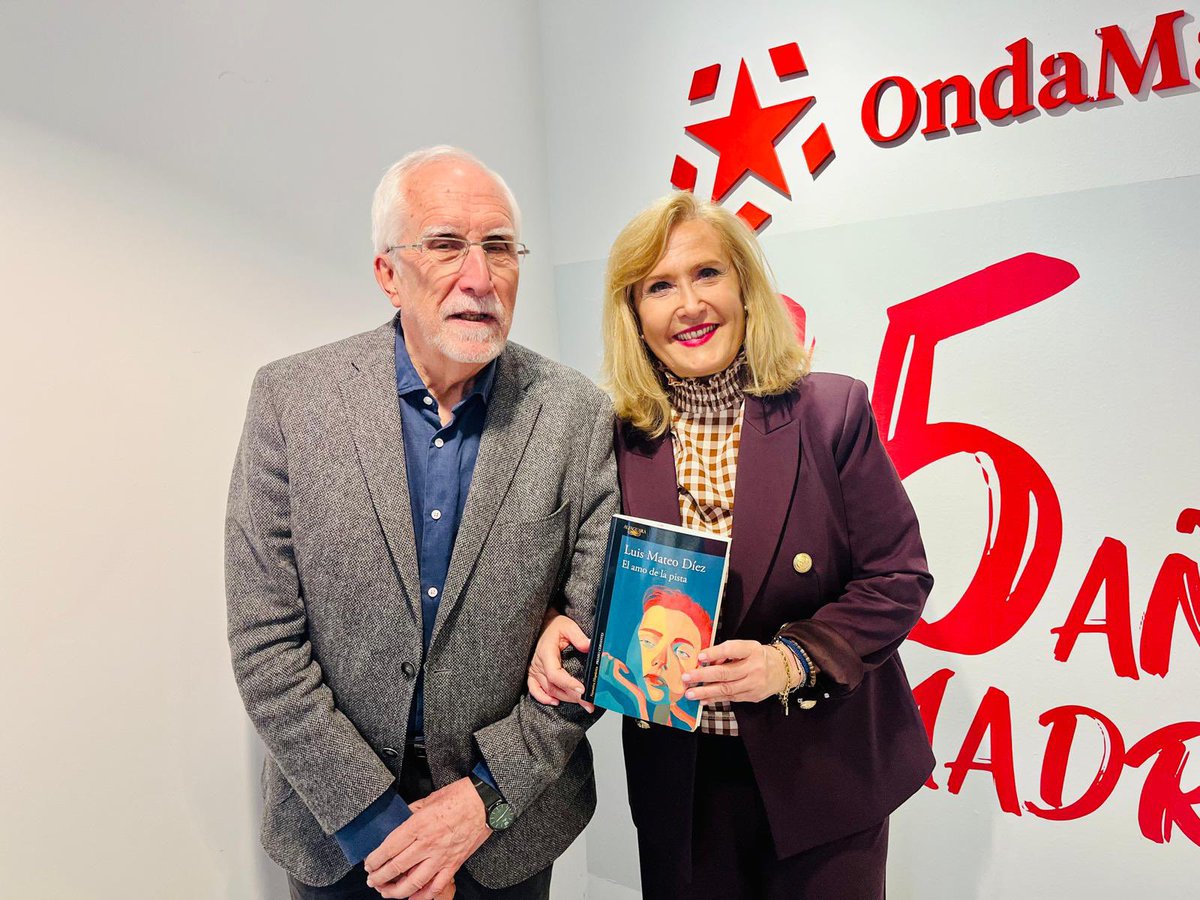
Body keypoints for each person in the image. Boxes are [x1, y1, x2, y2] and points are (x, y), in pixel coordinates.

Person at [226, 146, 617, 900]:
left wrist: (485, 799)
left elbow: (597, 640)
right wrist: (389, 835)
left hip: (506, 836)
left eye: (499, 247)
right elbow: (265, 641)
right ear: (387, 273)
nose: (479, 277)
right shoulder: (290, 401)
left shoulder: (575, 415)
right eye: (445, 245)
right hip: (339, 842)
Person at [528, 191, 934, 899]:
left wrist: (791, 661)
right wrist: (553, 624)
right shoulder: (610, 436)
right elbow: (581, 574)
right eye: (659, 286)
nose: (688, 304)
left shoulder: (830, 412)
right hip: (683, 784)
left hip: (821, 770)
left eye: (707, 274)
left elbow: (897, 577)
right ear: (635, 314)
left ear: (745, 288)